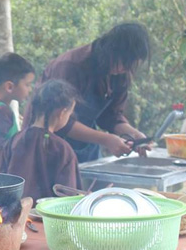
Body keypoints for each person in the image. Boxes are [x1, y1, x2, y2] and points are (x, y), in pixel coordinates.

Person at [32, 22, 151, 163]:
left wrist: (133, 134)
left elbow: (111, 116)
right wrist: (106, 139)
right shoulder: (71, 66)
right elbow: (58, 119)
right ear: (111, 50)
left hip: (86, 147)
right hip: (46, 145)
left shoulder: (121, 75)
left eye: (130, 65)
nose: (124, 69)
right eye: (124, 62)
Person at [0, 80, 82, 203]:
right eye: (70, 113)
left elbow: (0, 183)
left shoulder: (13, 141)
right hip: (47, 220)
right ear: (62, 112)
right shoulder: (63, 149)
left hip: (13, 216)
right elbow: (69, 199)